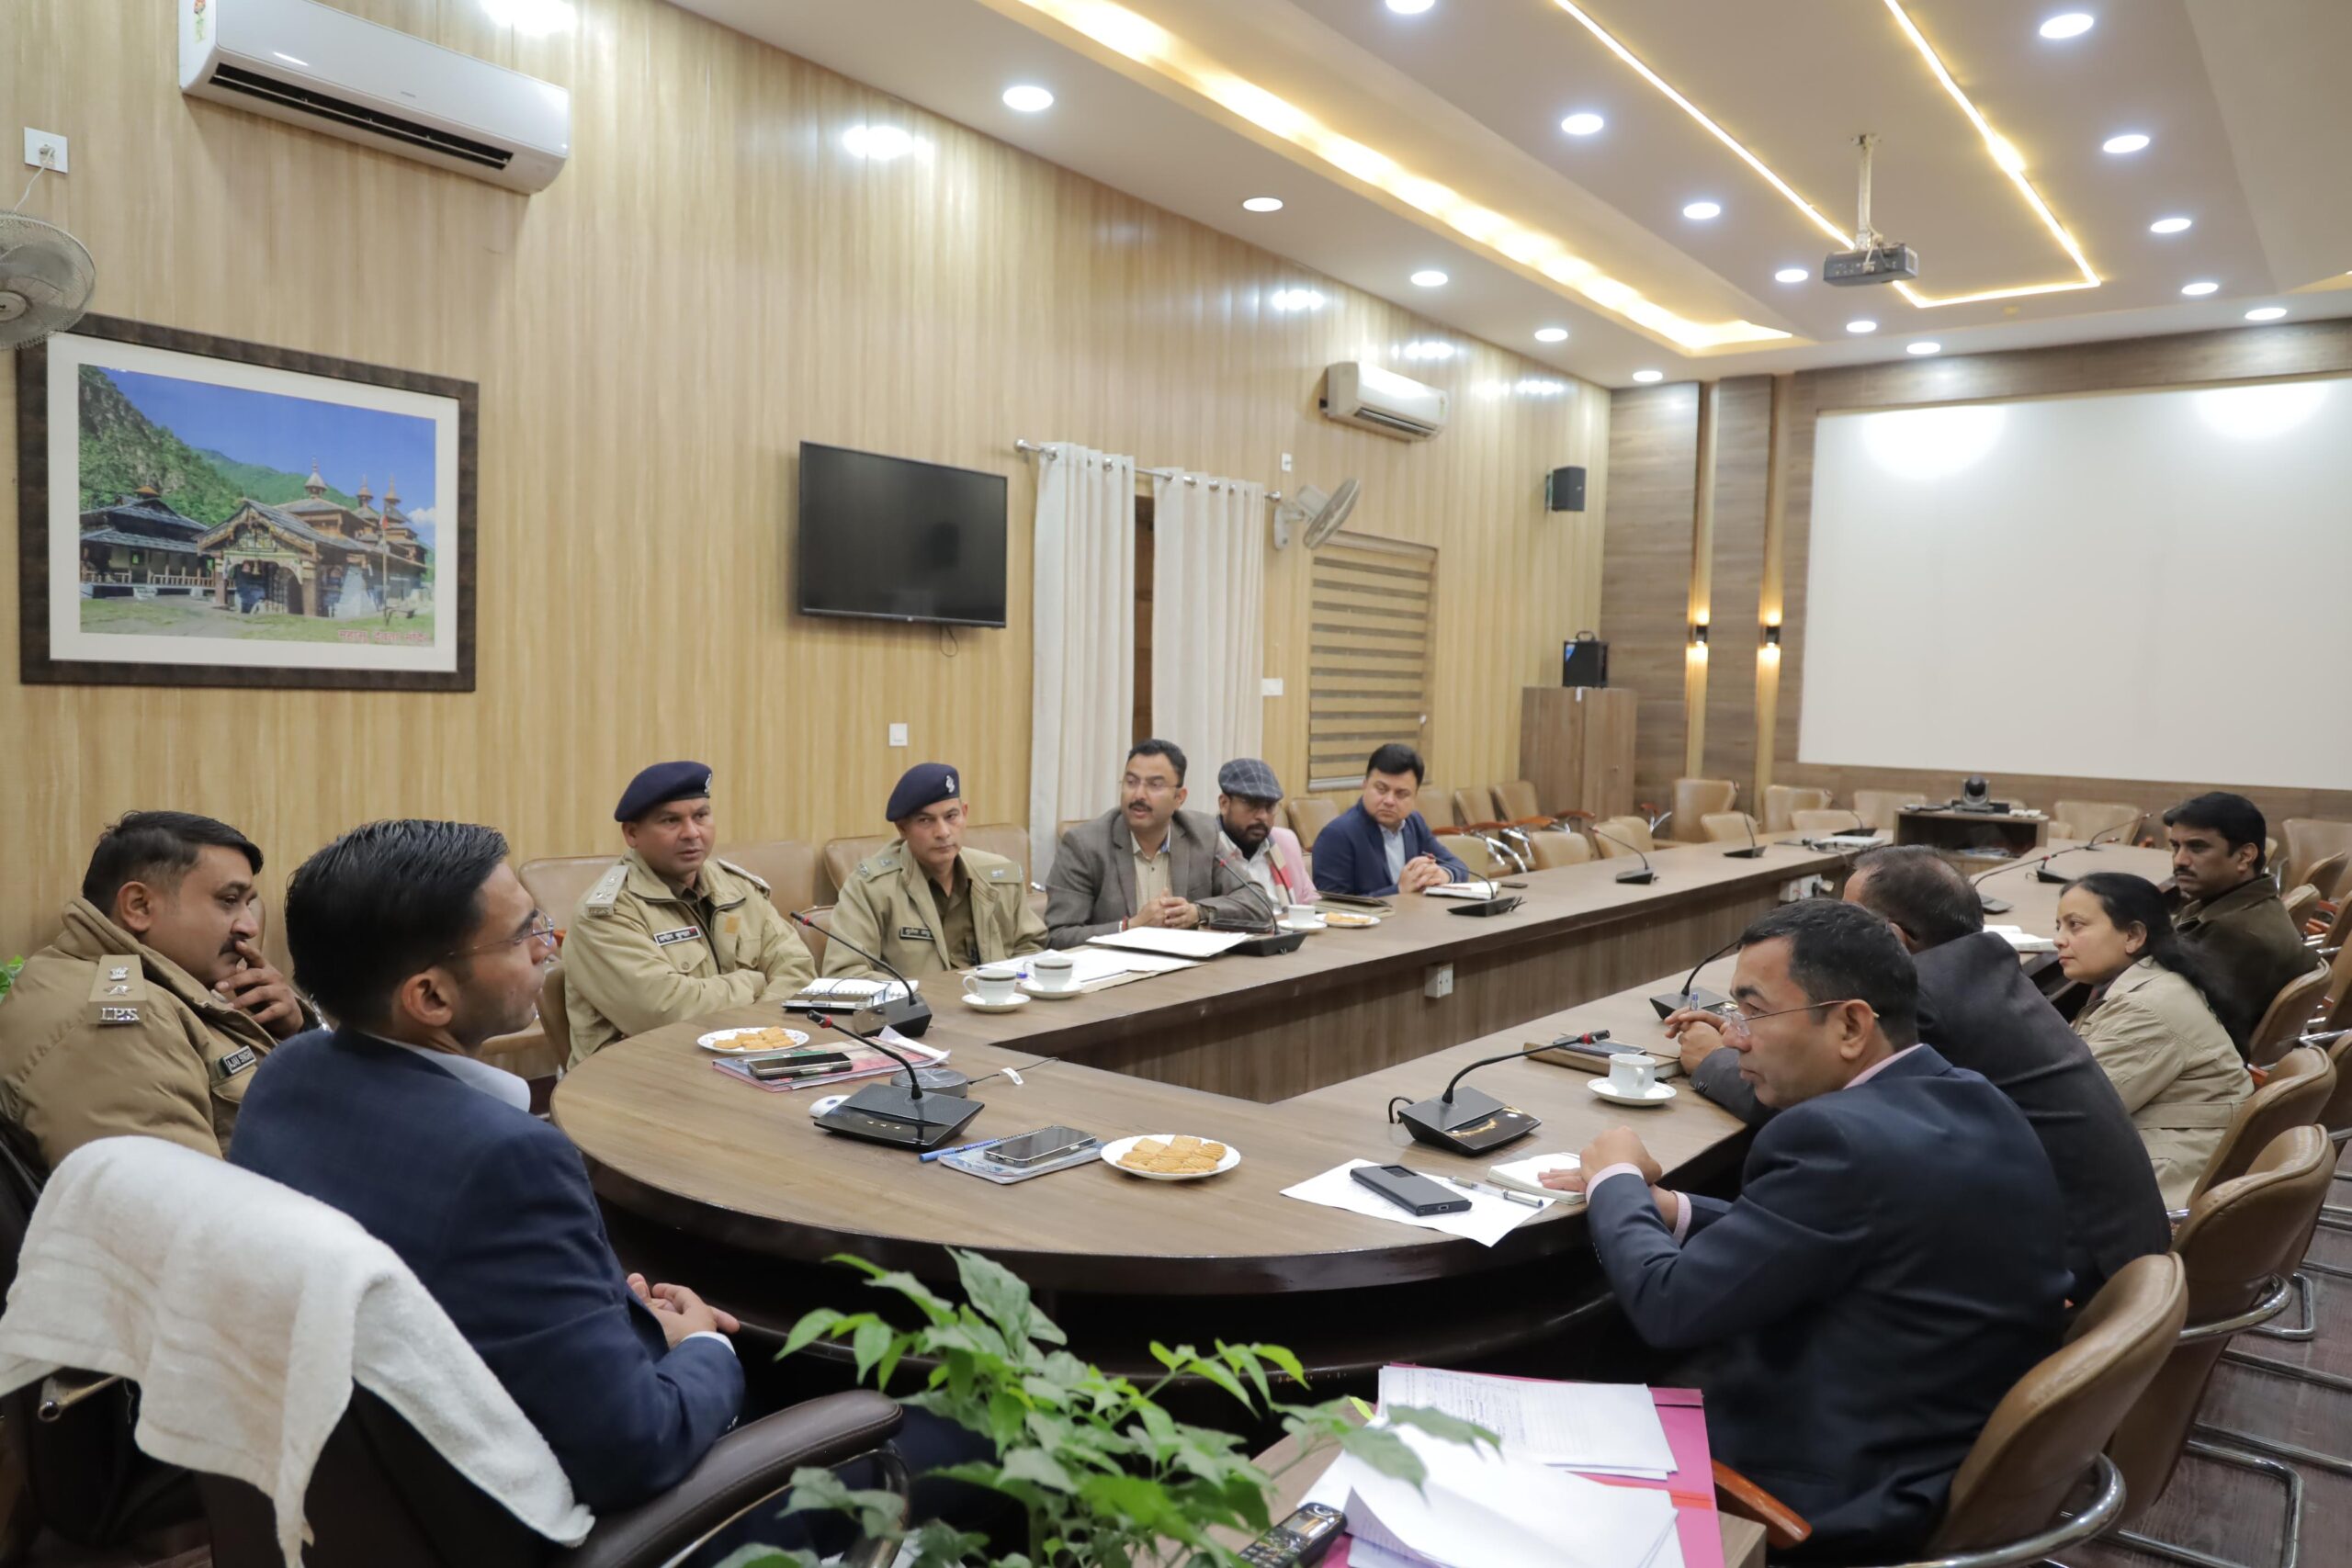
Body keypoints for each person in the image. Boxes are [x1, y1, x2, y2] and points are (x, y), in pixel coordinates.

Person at [228, 819, 743, 1511]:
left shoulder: (287, 1071)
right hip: (515, 1515)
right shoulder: (509, 1159)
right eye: (523, 932)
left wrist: (618, 1318)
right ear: (431, 997)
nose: (547, 944)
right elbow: (635, 1448)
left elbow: (460, 1281)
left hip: (349, 1490)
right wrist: (702, 1347)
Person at [1546, 901, 2069, 1561]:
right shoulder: (1971, 1094)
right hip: (1930, 1439)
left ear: (1850, 1024)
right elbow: (1828, 1236)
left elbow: (1668, 1305)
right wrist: (1673, 1207)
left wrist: (1615, 1177)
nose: (1735, 1039)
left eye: (1754, 1013)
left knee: (1557, 1384)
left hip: (1831, 1491)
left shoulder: (1836, 1139)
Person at [1681, 846, 2169, 1298]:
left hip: (2075, 1268)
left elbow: (1817, 1108)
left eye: (1846, 919)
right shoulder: (1978, 968)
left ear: (1892, 939)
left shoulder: (1922, 1001)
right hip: (2113, 1239)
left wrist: (1711, 1061)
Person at [0, 811, 312, 1168]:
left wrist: (295, 1034)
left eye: (248, 904)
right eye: (229, 900)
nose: (249, 927)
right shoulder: (122, 1028)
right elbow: (180, 1196)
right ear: (139, 907)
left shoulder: (141, 983)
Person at [561, 761, 816, 1064]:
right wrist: (755, 982)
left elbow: (799, 970)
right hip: (639, 1074)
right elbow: (669, 1013)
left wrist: (756, 1036)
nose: (692, 833)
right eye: (671, 821)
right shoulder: (607, 914)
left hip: (743, 1062)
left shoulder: (738, 888)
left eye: (701, 816)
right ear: (632, 833)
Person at [2056, 872, 2250, 1208]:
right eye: (2058, 926)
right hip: (2173, 1158)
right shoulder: (2157, 980)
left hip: (2161, 1189)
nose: (2059, 940)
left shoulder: (2145, 1009)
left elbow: (2067, 1112)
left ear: (2133, 936)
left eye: (2075, 926)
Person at [823, 762, 1048, 981]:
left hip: (995, 1002)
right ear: (902, 828)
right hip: (916, 1005)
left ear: (965, 813)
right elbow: (845, 973)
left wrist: (1005, 988)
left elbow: (1030, 947)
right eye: (926, 821)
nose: (943, 832)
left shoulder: (1000, 876)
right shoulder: (871, 887)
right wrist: (914, 996)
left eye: (951, 817)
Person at [1043, 740, 1260, 947]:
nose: (1138, 795)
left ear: (1179, 798)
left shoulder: (1202, 834)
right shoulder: (1084, 845)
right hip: (1118, 970)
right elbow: (1058, 937)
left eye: (1154, 785)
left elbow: (1256, 902)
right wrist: (1130, 927)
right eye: (1131, 782)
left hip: (1190, 968)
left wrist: (1198, 912)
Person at [2162, 792, 2323, 1049]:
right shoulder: (2232, 905)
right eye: (2175, 847)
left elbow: (2174, 1023)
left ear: (2244, 856)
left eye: (2197, 847)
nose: (2180, 860)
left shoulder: (2234, 935)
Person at [1309, 744, 1469, 897]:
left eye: (1401, 794)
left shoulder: (1414, 823)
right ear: (1364, 785)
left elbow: (1458, 866)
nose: (1389, 801)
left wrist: (1442, 874)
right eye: (1381, 789)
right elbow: (1334, 907)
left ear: (1415, 796)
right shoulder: (1337, 835)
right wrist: (1398, 890)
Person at [1214, 757, 1314, 917]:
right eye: (1252, 805)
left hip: (1288, 929)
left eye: (1270, 807)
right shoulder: (1205, 846)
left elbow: (1311, 903)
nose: (1263, 816)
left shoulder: (1285, 842)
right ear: (1224, 804)